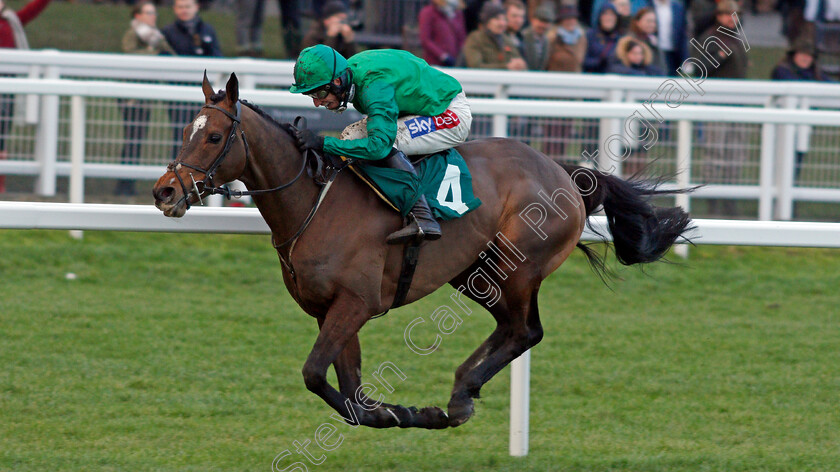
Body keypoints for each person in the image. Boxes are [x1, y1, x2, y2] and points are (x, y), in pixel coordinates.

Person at [288, 45, 473, 244]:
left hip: (448, 113)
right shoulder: (351, 73)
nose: (316, 103)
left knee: (389, 141)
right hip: (422, 104)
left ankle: (423, 216)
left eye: (319, 94)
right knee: (350, 136)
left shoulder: (373, 87)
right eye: (311, 96)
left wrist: (323, 142)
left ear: (337, 81)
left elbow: (379, 147)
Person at [117, 1, 175, 196]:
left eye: (154, 13)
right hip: (132, 96)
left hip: (144, 96)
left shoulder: (155, 36)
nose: (153, 16)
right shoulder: (133, 33)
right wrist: (155, 53)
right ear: (138, 15)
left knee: (138, 137)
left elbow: (170, 55)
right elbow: (130, 54)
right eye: (149, 13)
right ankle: (125, 184)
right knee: (133, 137)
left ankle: (127, 183)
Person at [0, 0, 52, 194]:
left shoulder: (12, 20)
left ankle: (0, 186)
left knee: (2, 136)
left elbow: (34, 9)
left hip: (7, 85)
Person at [162, 0, 222, 159]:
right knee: (180, 132)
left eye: (187, 6)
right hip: (177, 93)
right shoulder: (168, 32)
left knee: (204, 133)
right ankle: (178, 171)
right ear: (175, 9)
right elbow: (164, 59)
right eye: (180, 7)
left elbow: (218, 57)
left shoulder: (207, 30)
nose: (184, 10)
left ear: (196, 7)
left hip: (204, 94)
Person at [772, 37, 833, 181]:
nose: (806, 58)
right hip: (781, 125)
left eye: (809, 55)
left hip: (802, 126)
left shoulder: (814, 74)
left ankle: (790, 190)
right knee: (780, 159)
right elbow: (795, 84)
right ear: (794, 55)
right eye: (802, 54)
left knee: (796, 161)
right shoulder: (782, 70)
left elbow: (832, 85)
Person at [463, 2, 528, 69]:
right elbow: (475, 66)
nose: (502, 23)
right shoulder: (475, 39)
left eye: (504, 19)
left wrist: (520, 65)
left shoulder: (507, 40)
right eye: (497, 19)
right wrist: (506, 67)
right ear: (487, 21)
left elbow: (517, 59)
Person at [418, 0, 467, 67]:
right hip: (434, 63)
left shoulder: (457, 13)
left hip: (455, 62)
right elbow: (425, 40)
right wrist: (443, 56)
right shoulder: (428, 12)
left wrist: (461, 57)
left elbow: (462, 37)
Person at [547, 4, 588, 72]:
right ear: (561, 20)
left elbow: (580, 59)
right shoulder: (552, 37)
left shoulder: (581, 37)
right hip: (556, 76)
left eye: (573, 18)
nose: (571, 21)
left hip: (575, 77)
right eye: (567, 18)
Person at [651, 0, 687, 73]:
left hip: (674, 51)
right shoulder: (648, 5)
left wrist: (685, 58)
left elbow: (682, 33)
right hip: (655, 51)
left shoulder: (677, 7)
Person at [584, 4, 621, 72]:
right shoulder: (590, 35)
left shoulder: (620, 39)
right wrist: (599, 62)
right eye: (605, 14)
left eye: (612, 15)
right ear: (600, 17)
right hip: (594, 77)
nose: (609, 18)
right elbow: (583, 60)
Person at [627, 7, 667, 71]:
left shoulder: (653, 40)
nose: (652, 25)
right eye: (649, 21)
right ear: (637, 22)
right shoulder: (629, 40)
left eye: (654, 22)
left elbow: (662, 65)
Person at [521, 2, 555, 70]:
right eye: (540, 21)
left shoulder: (546, 40)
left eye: (546, 22)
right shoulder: (523, 36)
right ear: (533, 20)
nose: (543, 25)